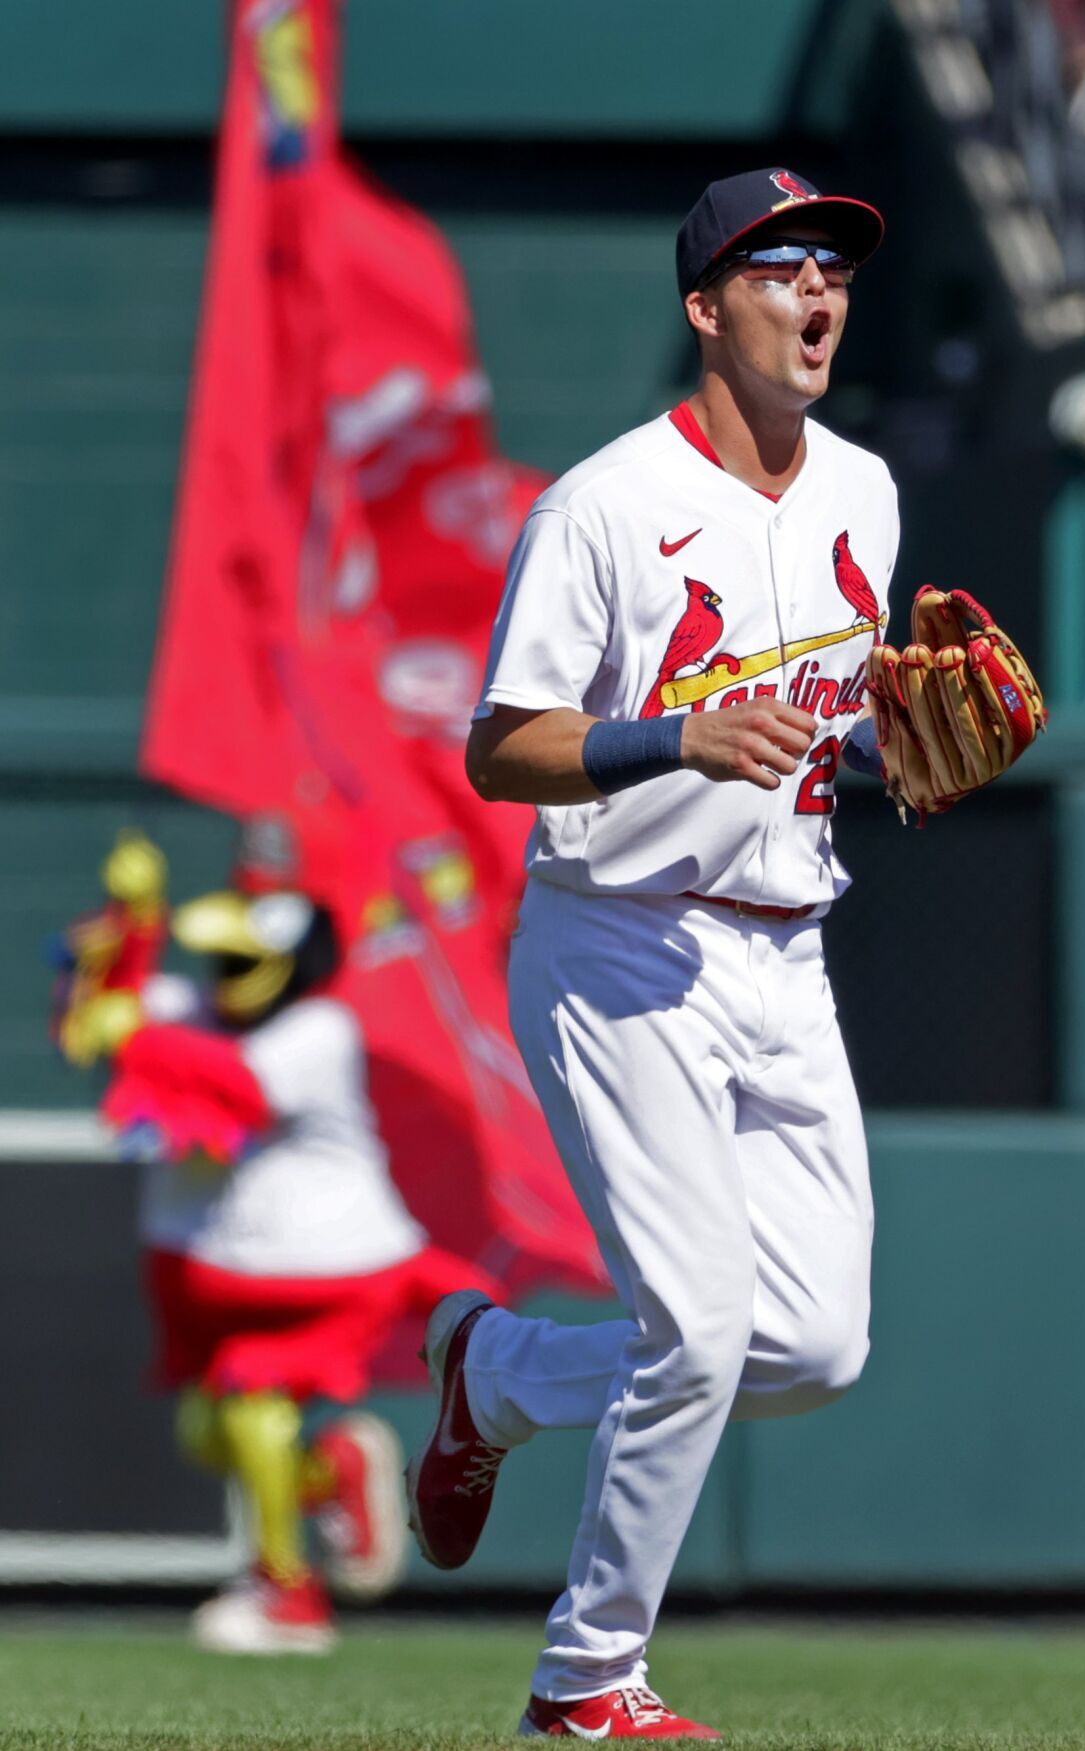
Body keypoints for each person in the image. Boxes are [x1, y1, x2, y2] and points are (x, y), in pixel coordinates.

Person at [406, 168, 898, 1738]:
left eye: (830, 264)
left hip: (784, 949)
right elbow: (498, 747)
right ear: (705, 307)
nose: (814, 290)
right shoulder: (603, 501)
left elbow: (840, 732)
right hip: (616, 940)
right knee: (691, 1327)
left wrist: (909, 749)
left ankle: (497, 1372)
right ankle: (585, 1676)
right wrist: (672, 733)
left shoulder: (865, 491)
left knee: (813, 1342)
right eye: (777, 267)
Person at [53, 826, 500, 1653]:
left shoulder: (319, 1030)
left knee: (254, 1406)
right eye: (218, 961)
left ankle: (287, 1593)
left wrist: (136, 1035)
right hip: (212, 1272)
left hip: (322, 1270)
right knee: (204, 1430)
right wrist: (135, 921)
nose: (226, 979)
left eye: (245, 962)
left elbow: (239, 1086)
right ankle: (331, 1472)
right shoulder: (191, 1008)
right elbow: (101, 1012)